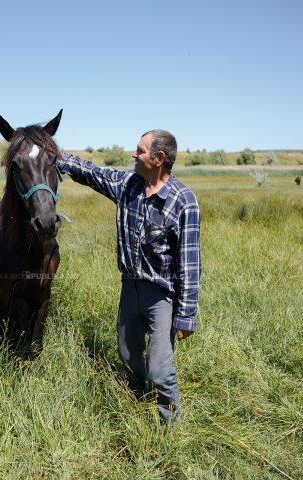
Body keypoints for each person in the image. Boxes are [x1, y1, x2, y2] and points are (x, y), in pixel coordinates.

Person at [57, 129, 201, 422]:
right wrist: (52, 152)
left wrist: (186, 316)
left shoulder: (184, 201)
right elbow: (91, 173)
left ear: (158, 158)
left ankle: (170, 427)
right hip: (129, 288)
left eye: (139, 150)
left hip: (161, 295)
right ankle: (138, 399)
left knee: (160, 370)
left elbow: (189, 263)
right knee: (128, 356)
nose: (133, 155)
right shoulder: (127, 184)